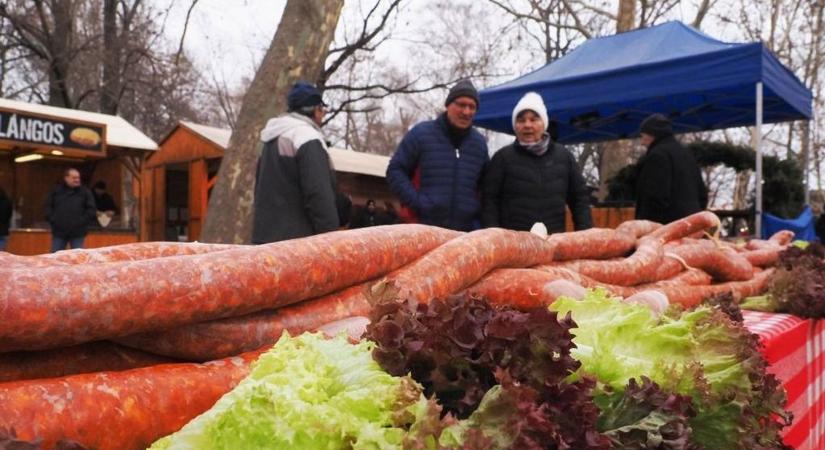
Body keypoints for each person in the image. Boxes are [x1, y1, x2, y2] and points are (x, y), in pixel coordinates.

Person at [386, 79, 489, 231]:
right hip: (422, 229)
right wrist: (418, 203)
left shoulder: (479, 144)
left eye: (472, 107)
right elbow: (395, 170)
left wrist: (476, 219)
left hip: (463, 233)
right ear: (448, 105)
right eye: (461, 105)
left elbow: (486, 187)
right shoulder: (421, 134)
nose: (466, 112)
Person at [482, 92, 592, 233]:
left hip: (553, 240)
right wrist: (494, 237)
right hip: (514, 242)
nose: (527, 125)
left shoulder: (564, 157)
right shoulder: (502, 158)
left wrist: (584, 235)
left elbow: (580, 200)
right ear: (515, 126)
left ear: (544, 124)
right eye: (521, 120)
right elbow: (489, 202)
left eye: (534, 119)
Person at [252, 80, 341, 243]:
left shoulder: (269, 139)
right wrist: (332, 240)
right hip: (298, 244)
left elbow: (259, 191)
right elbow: (318, 193)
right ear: (317, 109)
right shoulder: (306, 137)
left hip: (265, 241)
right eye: (323, 109)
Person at [634, 114, 708, 224]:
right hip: (692, 223)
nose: (642, 142)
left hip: (667, 225)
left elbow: (655, 196)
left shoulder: (658, 155)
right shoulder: (687, 154)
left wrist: (647, 225)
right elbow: (702, 194)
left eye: (643, 136)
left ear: (652, 134)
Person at [44, 168, 97, 252]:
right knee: (55, 256)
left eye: (78, 178)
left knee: (78, 257)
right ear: (66, 178)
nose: (77, 180)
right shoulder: (56, 191)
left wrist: (81, 222)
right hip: (59, 232)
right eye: (74, 178)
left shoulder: (85, 192)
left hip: (78, 232)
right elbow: (48, 207)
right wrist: (54, 220)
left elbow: (91, 210)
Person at [0, 186, 12, 251]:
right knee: (1, 250)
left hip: (3, 227)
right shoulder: (7, 201)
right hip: (3, 228)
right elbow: (9, 214)